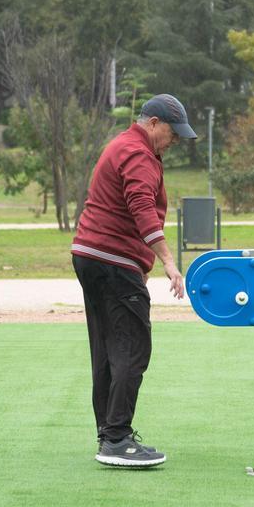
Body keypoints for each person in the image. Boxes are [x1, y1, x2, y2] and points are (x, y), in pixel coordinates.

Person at [71, 94, 196, 467]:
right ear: (154, 123)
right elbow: (142, 207)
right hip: (113, 262)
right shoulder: (139, 153)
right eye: (173, 134)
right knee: (132, 348)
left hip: (90, 256)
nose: (174, 142)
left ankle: (109, 432)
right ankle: (117, 439)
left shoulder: (124, 145)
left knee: (108, 349)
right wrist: (170, 263)